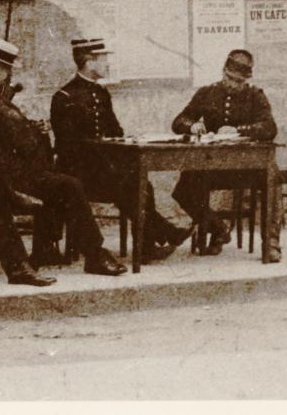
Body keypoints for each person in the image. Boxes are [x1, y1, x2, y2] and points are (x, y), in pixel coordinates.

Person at [0, 35, 127, 283]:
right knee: (67, 185)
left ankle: (89, 254)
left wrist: (32, 128)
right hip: (6, 179)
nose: (8, 76)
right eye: (5, 70)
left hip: (16, 175)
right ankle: (29, 263)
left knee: (67, 184)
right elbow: (2, 146)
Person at [49, 37, 191, 262]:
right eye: (104, 59)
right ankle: (160, 236)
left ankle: (151, 243)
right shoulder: (64, 97)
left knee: (139, 182)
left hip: (101, 169)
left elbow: (115, 130)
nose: (108, 64)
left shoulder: (102, 93)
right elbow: (68, 147)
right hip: (78, 173)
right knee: (133, 185)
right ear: (89, 61)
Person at [170, 49, 280, 261]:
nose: (233, 84)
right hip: (212, 166)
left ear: (246, 80)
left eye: (239, 81)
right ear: (223, 72)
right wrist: (193, 127)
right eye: (230, 78)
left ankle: (272, 243)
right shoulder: (207, 93)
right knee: (184, 190)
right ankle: (218, 228)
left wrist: (240, 130)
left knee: (271, 176)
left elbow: (269, 128)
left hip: (247, 168)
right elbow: (179, 121)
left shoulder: (255, 96)